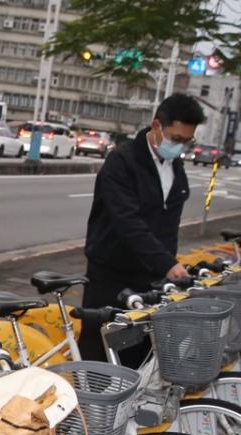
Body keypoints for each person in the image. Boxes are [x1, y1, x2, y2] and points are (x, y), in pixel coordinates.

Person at [79, 93, 206, 367]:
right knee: (100, 353)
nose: (179, 146)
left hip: (150, 280)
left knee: (139, 355)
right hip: (110, 275)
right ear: (156, 125)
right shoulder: (122, 161)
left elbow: (168, 224)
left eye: (186, 141)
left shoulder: (175, 167)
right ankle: (87, 407)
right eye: (176, 138)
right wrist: (168, 263)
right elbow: (127, 221)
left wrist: (169, 268)